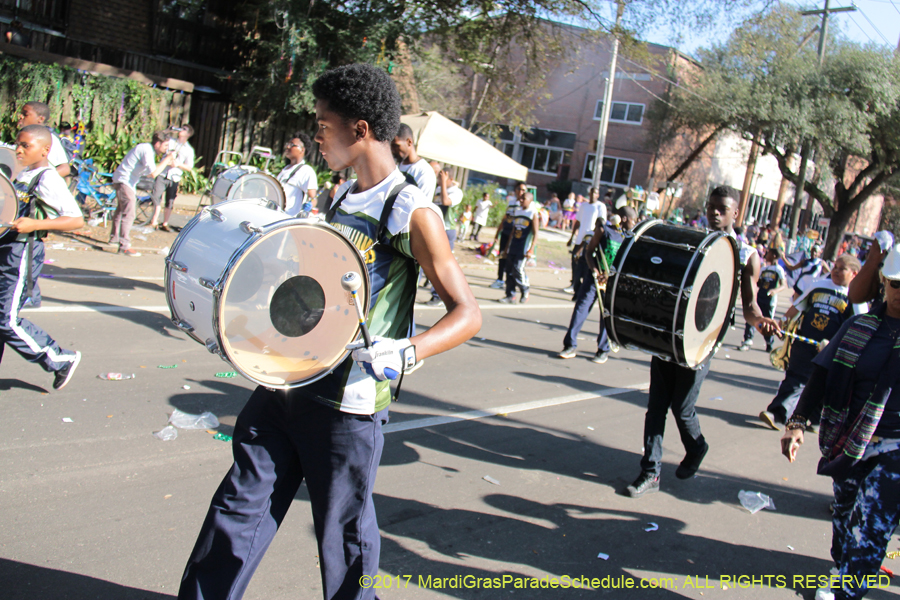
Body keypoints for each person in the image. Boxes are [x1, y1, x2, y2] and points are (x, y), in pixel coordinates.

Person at [176, 63, 481, 600]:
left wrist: (407, 352)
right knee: (239, 504)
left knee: (343, 541)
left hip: (348, 403)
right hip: (287, 379)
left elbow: (467, 313)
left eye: (323, 124)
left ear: (359, 130)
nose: (315, 135)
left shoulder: (409, 209)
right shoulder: (339, 197)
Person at [626, 186, 780, 498]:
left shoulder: (746, 255)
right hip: (670, 332)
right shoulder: (689, 241)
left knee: (682, 407)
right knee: (656, 406)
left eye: (722, 208)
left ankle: (696, 448)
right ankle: (650, 471)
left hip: (704, 339)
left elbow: (749, 305)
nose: (714, 212)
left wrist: (760, 321)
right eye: (711, 206)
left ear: (736, 212)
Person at [780, 245, 900, 600]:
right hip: (850, 442)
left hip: (896, 446)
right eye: (895, 284)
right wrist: (797, 423)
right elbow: (820, 376)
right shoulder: (859, 326)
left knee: (873, 528)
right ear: (883, 283)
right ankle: (840, 569)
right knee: (845, 517)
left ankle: (846, 590)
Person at [1, 125, 83, 390]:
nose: (19, 149)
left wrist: (34, 225)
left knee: (6, 320)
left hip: (21, 255)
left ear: (45, 150)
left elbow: (75, 220)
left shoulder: (47, 178)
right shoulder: (22, 174)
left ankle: (59, 359)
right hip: (5, 250)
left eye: (26, 145)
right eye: (17, 144)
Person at [760, 254, 866, 431]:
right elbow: (797, 307)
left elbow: (860, 328)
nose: (836, 271)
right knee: (795, 379)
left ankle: (816, 419)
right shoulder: (818, 286)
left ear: (854, 274)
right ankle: (777, 413)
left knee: (824, 385)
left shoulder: (856, 297)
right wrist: (780, 324)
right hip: (805, 344)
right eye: (835, 267)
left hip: (833, 351)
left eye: (842, 269)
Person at [558, 206, 637, 363]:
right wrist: (595, 271)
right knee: (581, 309)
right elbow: (589, 252)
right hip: (594, 279)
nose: (635, 224)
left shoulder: (629, 238)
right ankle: (570, 345)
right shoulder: (604, 230)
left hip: (612, 283)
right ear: (625, 219)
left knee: (606, 316)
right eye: (634, 220)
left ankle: (603, 350)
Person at [109, 132, 174, 256]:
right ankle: (124, 245)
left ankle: (114, 238)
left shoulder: (148, 150)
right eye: (165, 145)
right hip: (124, 181)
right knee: (129, 213)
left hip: (124, 180)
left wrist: (169, 161)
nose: (166, 149)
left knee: (120, 210)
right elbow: (154, 173)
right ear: (157, 143)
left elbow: (151, 172)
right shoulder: (146, 149)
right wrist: (166, 160)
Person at [424, 162, 464, 307]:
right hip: (434, 228)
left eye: (442, 177)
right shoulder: (440, 188)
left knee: (441, 264)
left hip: (447, 230)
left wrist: (443, 184)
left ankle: (438, 295)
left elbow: (445, 202)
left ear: (449, 178)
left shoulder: (456, 192)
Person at [739, 247, 788, 352]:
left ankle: (769, 342)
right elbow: (757, 282)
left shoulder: (779, 269)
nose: (766, 255)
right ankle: (747, 340)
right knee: (753, 318)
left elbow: (784, 285)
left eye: (769, 253)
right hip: (760, 297)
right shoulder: (764, 269)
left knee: (767, 323)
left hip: (769, 301)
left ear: (774, 255)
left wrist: (775, 290)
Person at [150, 125, 195, 231]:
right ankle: (154, 221)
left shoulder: (188, 149)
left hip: (174, 176)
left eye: (184, 129)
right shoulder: (170, 141)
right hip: (163, 173)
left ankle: (165, 223)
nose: (181, 130)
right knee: (156, 197)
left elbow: (189, 167)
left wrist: (178, 164)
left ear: (188, 134)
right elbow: (160, 138)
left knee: (169, 201)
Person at [498, 190, 539, 304]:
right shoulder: (517, 211)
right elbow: (513, 231)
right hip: (513, 245)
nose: (520, 200)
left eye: (523, 199)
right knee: (509, 270)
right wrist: (506, 248)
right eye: (520, 198)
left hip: (523, 248)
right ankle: (510, 295)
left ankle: (525, 289)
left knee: (518, 269)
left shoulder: (532, 213)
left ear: (530, 201)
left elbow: (536, 233)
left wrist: (531, 249)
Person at [566, 187, 607, 297]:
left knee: (586, 265)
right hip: (581, 238)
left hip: (591, 239)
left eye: (596, 193)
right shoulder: (584, 206)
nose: (593, 194)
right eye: (592, 192)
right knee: (575, 261)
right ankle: (575, 284)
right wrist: (572, 237)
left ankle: (581, 289)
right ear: (589, 193)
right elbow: (578, 222)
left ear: (598, 195)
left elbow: (601, 223)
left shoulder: (600, 206)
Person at [16, 102, 71, 178]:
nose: (21, 116)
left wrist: (37, 180)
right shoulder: (24, 136)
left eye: (25, 114)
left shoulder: (48, 138)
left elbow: (65, 168)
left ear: (40, 119)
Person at [489, 183, 523, 289]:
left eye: (523, 190)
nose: (521, 192)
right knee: (502, 256)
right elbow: (505, 218)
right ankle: (499, 279)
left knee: (512, 260)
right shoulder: (511, 202)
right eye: (519, 189)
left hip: (516, 236)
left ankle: (513, 282)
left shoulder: (524, 206)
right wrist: (498, 232)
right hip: (506, 233)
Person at [276, 131, 318, 217]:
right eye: (288, 144)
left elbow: (313, 199)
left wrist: (310, 205)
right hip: (275, 214)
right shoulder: (286, 168)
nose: (287, 147)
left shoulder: (306, 171)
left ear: (302, 149)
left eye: (292, 145)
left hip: (287, 218)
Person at [391, 123, 436, 201]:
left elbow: (422, 206)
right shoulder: (395, 166)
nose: (393, 150)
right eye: (391, 146)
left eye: (396, 146)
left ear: (409, 142)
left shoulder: (424, 172)